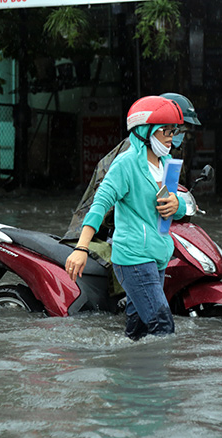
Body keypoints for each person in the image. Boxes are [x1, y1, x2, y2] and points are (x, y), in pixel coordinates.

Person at [64, 96, 187, 340]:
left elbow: (177, 207)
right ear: (145, 131)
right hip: (133, 257)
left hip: (158, 255)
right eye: (165, 130)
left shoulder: (166, 165)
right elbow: (99, 205)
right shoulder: (125, 164)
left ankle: (127, 374)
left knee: (138, 331)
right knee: (162, 325)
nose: (171, 136)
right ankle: (161, 379)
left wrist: (177, 204)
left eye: (174, 131)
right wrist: (81, 247)